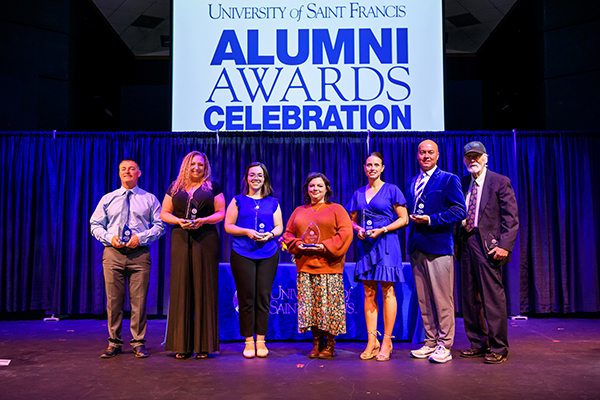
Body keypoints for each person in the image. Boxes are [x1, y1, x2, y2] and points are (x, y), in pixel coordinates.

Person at [90, 159, 165, 359]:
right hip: (113, 254)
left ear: (138, 173)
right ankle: (113, 342)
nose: (127, 172)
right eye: (123, 169)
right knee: (113, 301)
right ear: (119, 173)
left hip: (139, 254)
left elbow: (160, 225)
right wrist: (109, 238)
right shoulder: (108, 199)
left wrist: (139, 238)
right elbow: (95, 224)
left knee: (139, 302)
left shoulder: (149, 199)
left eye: (131, 169)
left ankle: (138, 342)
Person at [405, 140, 467, 363]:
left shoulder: (449, 179)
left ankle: (444, 344)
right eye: (422, 152)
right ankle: (430, 342)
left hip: (439, 247)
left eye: (430, 152)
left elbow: (460, 210)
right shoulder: (411, 182)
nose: (426, 156)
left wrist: (431, 219)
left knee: (442, 299)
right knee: (424, 299)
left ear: (438, 155)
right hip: (417, 247)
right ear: (417, 155)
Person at [458, 141, 519, 364]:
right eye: (469, 157)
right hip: (465, 243)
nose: (472, 160)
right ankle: (477, 342)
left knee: (492, 297)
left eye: (476, 156)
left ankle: (499, 347)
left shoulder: (500, 182)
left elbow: (511, 219)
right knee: (469, 297)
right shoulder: (462, 183)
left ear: (486, 158)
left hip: (489, 246)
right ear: (464, 160)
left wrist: (504, 245)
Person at [160, 151, 225, 359]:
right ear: (186, 165)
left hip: (205, 238)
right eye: (193, 164)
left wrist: (204, 220)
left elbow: (221, 212)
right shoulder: (175, 186)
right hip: (180, 238)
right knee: (182, 287)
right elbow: (164, 213)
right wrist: (178, 221)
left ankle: (203, 345)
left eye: (201, 165)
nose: (197, 168)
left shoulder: (213, 186)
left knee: (204, 288)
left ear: (205, 167)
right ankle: (182, 345)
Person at [282, 172, 353, 359]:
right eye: (312, 186)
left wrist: (325, 246)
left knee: (329, 308)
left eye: (319, 186)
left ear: (326, 189)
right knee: (311, 308)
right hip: (306, 267)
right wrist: (298, 244)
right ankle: (316, 342)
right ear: (307, 189)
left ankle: (330, 343)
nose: (315, 189)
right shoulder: (299, 211)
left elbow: (346, 232)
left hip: (329, 266)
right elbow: (287, 234)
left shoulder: (336, 209)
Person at [346, 152, 409, 361]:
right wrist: (357, 229)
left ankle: (387, 341)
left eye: (376, 165)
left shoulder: (392, 190)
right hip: (366, 245)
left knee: (387, 291)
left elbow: (404, 219)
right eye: (368, 165)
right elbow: (351, 221)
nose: (372, 168)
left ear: (382, 168)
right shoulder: (357, 193)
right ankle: (371, 340)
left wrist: (383, 230)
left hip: (387, 243)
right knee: (368, 292)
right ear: (364, 168)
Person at [224, 162, 283, 359]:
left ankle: (261, 339)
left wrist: (270, 235)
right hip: (242, 253)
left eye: (259, 175)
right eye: (252, 175)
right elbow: (228, 226)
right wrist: (247, 232)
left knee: (263, 296)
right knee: (246, 297)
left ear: (264, 178)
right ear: (246, 178)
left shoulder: (273, 202)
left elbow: (279, 227)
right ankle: (249, 340)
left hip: (268, 253)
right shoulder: (237, 200)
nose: (255, 178)